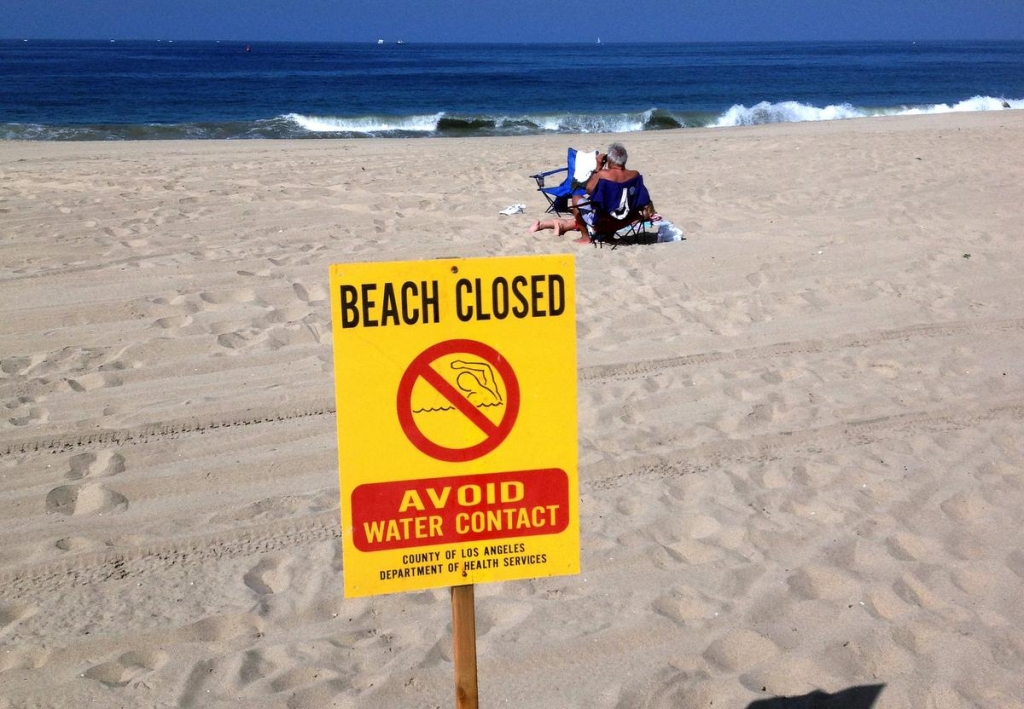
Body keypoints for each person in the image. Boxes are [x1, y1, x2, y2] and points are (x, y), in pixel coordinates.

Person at [528, 142, 656, 244]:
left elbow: (588, 189)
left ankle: (585, 238)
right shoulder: (635, 175)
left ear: (609, 160)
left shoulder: (603, 175)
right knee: (614, 203)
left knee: (576, 197)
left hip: (603, 221)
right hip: (627, 218)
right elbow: (643, 199)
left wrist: (598, 167)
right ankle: (609, 236)